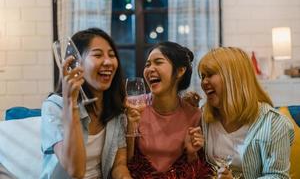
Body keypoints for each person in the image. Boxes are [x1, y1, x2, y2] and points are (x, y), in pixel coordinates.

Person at [41, 28, 132, 179]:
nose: (108, 61)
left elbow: (119, 165)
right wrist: (71, 104)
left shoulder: (115, 106)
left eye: (112, 55)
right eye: (97, 55)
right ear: (75, 63)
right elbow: (75, 171)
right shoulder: (54, 107)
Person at [198, 47, 295, 179]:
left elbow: (278, 176)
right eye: (202, 76)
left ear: (233, 78)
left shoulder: (275, 124)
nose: (203, 82)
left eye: (209, 74)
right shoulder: (204, 118)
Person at [126, 41, 212, 178]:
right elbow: (122, 164)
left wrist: (192, 153)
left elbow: (197, 171)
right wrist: (130, 129)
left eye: (158, 62)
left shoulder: (194, 115)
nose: (150, 69)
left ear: (180, 71)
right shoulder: (134, 106)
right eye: (147, 65)